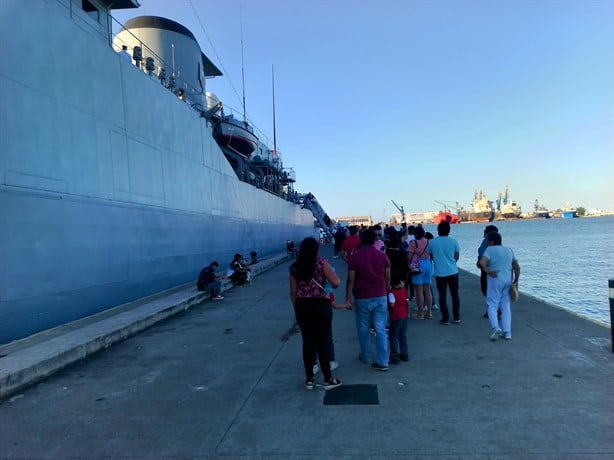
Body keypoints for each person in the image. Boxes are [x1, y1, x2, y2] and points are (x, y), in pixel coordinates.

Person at [289, 237, 342, 390]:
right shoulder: (321, 263)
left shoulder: (295, 267)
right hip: (321, 306)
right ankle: (328, 379)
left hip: (303, 307)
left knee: (307, 343)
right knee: (322, 342)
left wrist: (297, 310)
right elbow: (336, 282)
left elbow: (293, 292)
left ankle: (309, 380)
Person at [345, 228, 391, 371]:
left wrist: (348, 298)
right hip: (380, 296)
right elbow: (388, 276)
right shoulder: (382, 256)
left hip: (362, 297)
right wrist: (388, 290)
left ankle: (365, 356)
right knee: (380, 329)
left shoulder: (355, 257)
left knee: (363, 328)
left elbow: (351, 279)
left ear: (361, 240)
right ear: (374, 240)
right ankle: (383, 361)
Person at [478, 232, 520, 341]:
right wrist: (516, 281)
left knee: (492, 304)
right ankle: (508, 332)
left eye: (488, 241)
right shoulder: (509, 250)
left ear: (491, 241)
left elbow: (482, 262)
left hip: (495, 279)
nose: (487, 243)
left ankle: (496, 328)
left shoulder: (490, 250)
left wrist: (487, 271)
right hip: (507, 280)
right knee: (505, 306)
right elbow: (516, 266)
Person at [428, 221, 461, 325]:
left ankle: (445, 318)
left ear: (438, 230)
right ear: (449, 230)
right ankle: (456, 316)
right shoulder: (454, 241)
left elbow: (431, 256)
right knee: (454, 294)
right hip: (453, 271)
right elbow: (457, 256)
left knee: (442, 296)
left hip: (440, 273)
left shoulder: (432, 242)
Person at [407, 226, 433, 319]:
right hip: (428, 264)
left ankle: (420, 313)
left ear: (415, 234)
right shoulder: (428, 242)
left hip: (418, 266)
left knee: (419, 291)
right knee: (427, 289)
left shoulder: (413, 243)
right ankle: (429, 312)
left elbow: (409, 256)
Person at [477, 225, 500, 318]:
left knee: (486, 289)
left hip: (486, 268)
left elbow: (482, 253)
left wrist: (480, 263)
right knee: (493, 290)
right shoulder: (499, 243)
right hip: (496, 268)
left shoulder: (486, 241)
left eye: (485, 232)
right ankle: (495, 309)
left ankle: (494, 309)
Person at [388, 275, 409, 364]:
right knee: (403, 335)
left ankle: (394, 356)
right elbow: (407, 302)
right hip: (404, 315)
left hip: (396, 317)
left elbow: (392, 305)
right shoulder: (404, 291)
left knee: (393, 336)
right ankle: (404, 354)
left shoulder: (392, 293)